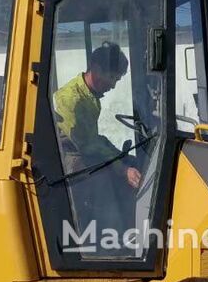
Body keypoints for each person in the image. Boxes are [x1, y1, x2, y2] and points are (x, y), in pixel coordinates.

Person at [52, 41, 142, 189]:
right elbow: (87, 145)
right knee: (106, 181)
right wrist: (123, 170)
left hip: (79, 152)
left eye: (116, 80)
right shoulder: (73, 101)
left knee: (127, 162)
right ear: (96, 69)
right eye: (112, 77)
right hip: (65, 163)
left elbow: (93, 139)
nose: (113, 85)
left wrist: (121, 157)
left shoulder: (90, 97)